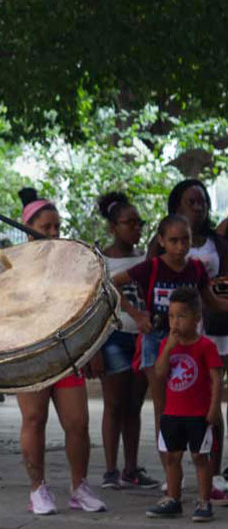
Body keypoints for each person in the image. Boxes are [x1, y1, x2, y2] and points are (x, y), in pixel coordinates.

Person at [13, 189, 107, 516]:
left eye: (57, 226)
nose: (54, 233)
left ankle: (79, 487)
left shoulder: (71, 261)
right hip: (29, 356)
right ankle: (37, 489)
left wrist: (90, 348)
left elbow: (84, 307)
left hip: (67, 355)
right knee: (34, 419)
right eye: (47, 227)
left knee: (78, 423)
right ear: (29, 229)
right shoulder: (14, 265)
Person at [150, 179, 228, 499]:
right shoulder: (161, 248)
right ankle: (173, 476)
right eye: (190, 202)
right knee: (169, 406)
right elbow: (146, 286)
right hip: (172, 335)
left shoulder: (217, 242)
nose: (199, 207)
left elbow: (216, 292)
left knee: (211, 403)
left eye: (202, 202)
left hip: (211, 331)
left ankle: (215, 474)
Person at [95, 191, 159, 490]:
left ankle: (131, 468)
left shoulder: (147, 258)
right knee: (114, 404)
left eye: (139, 222)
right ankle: (111, 470)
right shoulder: (101, 259)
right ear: (113, 227)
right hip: (114, 337)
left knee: (134, 405)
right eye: (129, 222)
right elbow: (97, 304)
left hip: (142, 337)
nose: (136, 227)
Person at [146, 287, 223, 521]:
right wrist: (168, 348)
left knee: (200, 457)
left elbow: (217, 379)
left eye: (181, 316)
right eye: (171, 316)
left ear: (196, 318)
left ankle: (203, 501)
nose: (175, 322)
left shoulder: (206, 346)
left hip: (197, 412)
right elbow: (159, 374)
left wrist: (214, 409)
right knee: (172, 457)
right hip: (173, 412)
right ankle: (173, 498)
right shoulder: (167, 346)